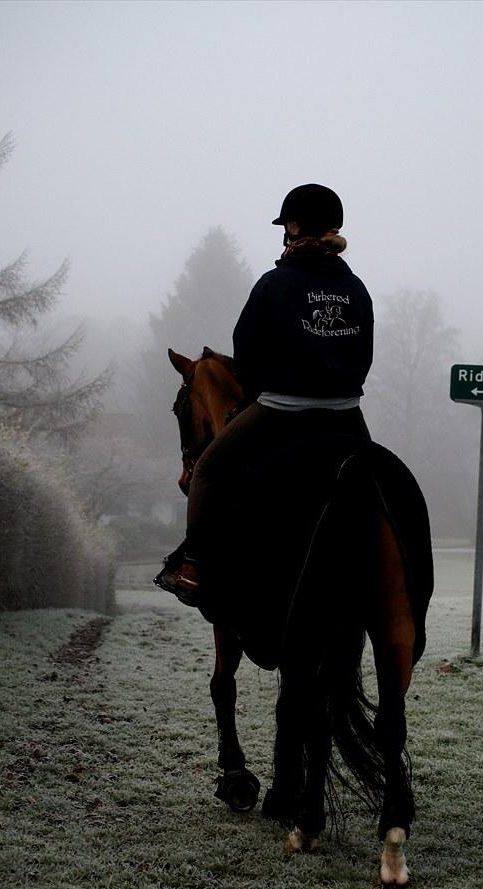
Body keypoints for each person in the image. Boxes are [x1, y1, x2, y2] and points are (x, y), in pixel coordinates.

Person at [158, 183, 375, 608]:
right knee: (374, 487)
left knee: (206, 471)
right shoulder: (357, 289)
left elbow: (247, 353)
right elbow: (364, 356)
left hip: (280, 412)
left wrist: (266, 393)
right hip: (347, 415)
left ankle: (195, 565)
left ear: (293, 227)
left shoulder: (273, 284)